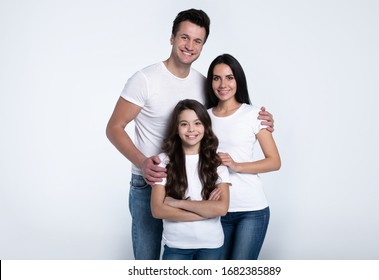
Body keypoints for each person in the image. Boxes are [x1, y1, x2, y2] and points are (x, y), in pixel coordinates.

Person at [106, 9, 274, 260]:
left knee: (189, 254)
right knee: (148, 261)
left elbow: (224, 115)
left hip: (190, 183)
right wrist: (142, 162)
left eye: (198, 41)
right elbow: (114, 127)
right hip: (149, 181)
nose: (190, 46)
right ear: (172, 38)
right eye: (184, 37)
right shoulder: (145, 79)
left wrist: (262, 121)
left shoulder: (203, 84)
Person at [205, 54, 281, 260]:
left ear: (238, 80)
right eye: (216, 78)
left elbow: (274, 161)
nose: (223, 84)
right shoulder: (203, 117)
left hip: (251, 210)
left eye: (229, 77)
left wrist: (237, 166)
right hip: (215, 208)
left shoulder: (254, 115)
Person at [150, 99, 231, 260]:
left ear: (205, 126)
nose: (191, 129)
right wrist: (206, 211)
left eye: (197, 123)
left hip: (211, 245)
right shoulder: (163, 161)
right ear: (176, 129)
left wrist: (177, 203)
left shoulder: (216, 162)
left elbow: (221, 209)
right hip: (176, 246)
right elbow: (157, 210)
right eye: (184, 124)